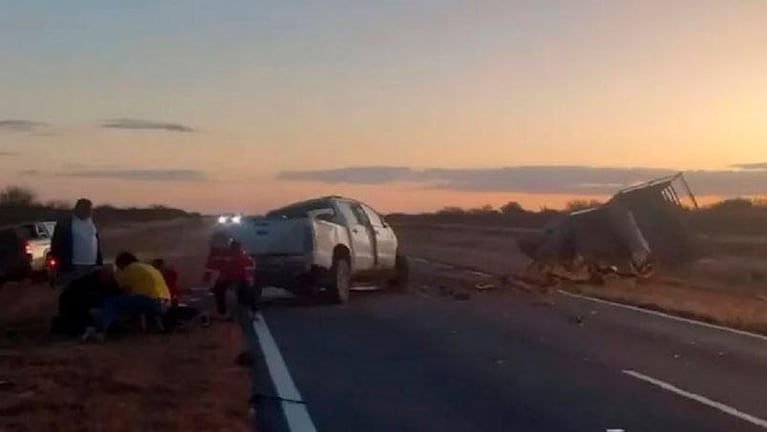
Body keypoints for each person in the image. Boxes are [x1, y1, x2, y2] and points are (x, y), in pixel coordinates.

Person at [82, 252, 171, 341]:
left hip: (150, 302)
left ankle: (100, 330)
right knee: (131, 301)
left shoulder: (129, 269)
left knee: (113, 301)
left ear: (122, 263)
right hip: (165, 304)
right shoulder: (149, 267)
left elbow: (122, 290)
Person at [50, 198, 103, 287]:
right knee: (72, 293)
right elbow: (56, 245)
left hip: (92, 265)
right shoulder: (65, 224)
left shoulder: (92, 223)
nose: (89, 211)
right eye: (86, 209)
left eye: (90, 209)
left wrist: (99, 262)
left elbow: (96, 243)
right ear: (78, 209)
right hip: (73, 266)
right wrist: (59, 266)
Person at [204, 239, 257, 320]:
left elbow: (209, 267)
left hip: (235, 280)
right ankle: (252, 311)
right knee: (249, 291)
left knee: (219, 290)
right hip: (231, 280)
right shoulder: (243, 257)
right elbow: (251, 270)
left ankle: (223, 312)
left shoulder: (229, 258)